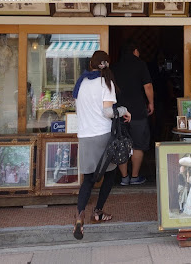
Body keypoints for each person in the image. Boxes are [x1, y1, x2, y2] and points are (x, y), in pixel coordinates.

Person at [72, 50, 131, 240]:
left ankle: (79, 216)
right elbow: (107, 112)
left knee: (88, 180)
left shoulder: (81, 83)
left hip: (85, 136)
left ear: (91, 64)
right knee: (110, 175)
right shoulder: (107, 83)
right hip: (103, 136)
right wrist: (123, 110)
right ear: (107, 64)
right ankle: (97, 212)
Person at [112, 42, 154, 186]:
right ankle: (135, 176)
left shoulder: (114, 67)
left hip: (119, 111)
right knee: (138, 144)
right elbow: (147, 85)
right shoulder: (140, 64)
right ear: (135, 51)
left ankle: (124, 177)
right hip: (137, 111)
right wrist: (151, 103)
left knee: (121, 143)